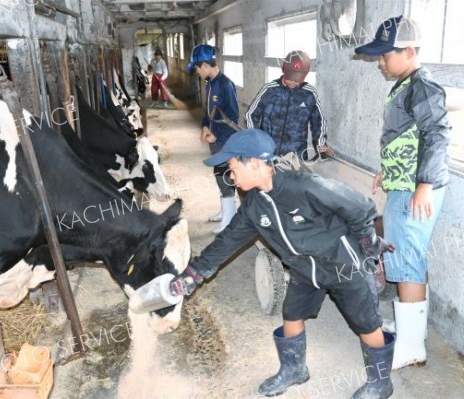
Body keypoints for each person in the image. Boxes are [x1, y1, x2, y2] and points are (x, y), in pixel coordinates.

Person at [170, 128, 396, 398]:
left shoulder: (304, 186)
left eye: (231, 166)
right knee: (291, 315)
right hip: (303, 269)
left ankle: (381, 382)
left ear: (254, 163)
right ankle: (294, 370)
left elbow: (361, 207)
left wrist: (368, 243)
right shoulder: (254, 205)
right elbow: (227, 241)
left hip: (341, 264)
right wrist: (194, 274)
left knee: (366, 323)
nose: (229, 175)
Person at [355, 16, 451, 371]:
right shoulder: (405, 84)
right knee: (403, 258)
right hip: (404, 184)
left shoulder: (423, 87)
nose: (381, 62)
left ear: (409, 51)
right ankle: (410, 330)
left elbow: (437, 136)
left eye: (385, 55)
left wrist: (424, 185)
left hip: (416, 190)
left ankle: (411, 347)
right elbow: (407, 138)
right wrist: (389, 169)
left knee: (408, 262)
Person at [187, 44, 240, 234]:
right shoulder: (210, 84)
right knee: (219, 175)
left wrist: (216, 134)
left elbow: (233, 116)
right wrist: (204, 126)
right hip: (214, 139)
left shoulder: (226, 84)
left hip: (225, 140)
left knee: (225, 176)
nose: (196, 71)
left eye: (197, 68)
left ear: (205, 65)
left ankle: (229, 218)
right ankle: (224, 210)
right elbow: (209, 112)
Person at [245, 50, 334, 163]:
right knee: (267, 180)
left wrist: (321, 144)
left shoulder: (309, 93)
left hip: (296, 155)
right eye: (290, 78)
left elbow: (319, 121)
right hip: (268, 152)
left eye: (297, 80)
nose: (292, 82)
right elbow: (251, 114)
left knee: (295, 180)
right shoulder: (269, 89)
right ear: (284, 70)